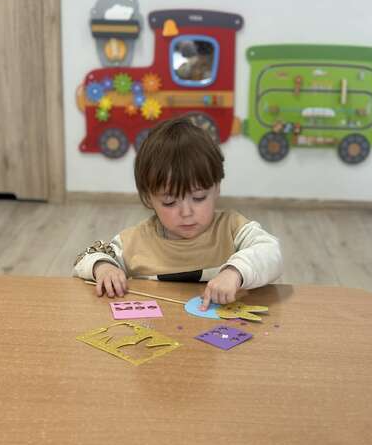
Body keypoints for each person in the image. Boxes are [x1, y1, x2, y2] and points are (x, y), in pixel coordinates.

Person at [73, 116, 283, 310]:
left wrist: (235, 272)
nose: (186, 212)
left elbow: (272, 253)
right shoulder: (134, 242)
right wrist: (103, 267)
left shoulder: (233, 229)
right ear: (149, 198)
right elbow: (86, 258)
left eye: (199, 197)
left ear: (217, 187)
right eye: (169, 202)